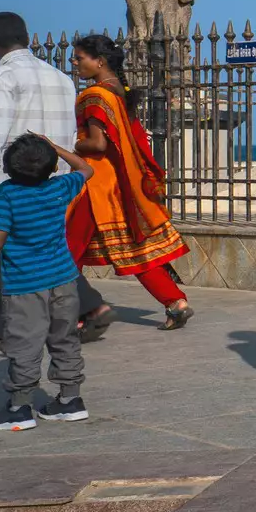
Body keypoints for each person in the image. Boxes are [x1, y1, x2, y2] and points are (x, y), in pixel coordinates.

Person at [0, 12, 111, 351]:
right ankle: (89, 304)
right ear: (26, 38)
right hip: (53, 180)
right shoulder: (60, 77)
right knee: (46, 244)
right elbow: (69, 135)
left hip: (7, 182)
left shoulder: (0, 78)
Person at [0, 135, 95, 430]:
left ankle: (19, 407)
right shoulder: (59, 187)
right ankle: (70, 400)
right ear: (51, 167)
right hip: (64, 280)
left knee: (24, 344)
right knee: (65, 339)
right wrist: (56, 148)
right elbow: (86, 168)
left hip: (24, 286)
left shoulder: (8, 193)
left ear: (10, 168)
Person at [67, 35, 192, 328]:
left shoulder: (95, 95)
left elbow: (97, 144)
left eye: (79, 57)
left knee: (66, 247)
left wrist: (72, 145)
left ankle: (80, 313)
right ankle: (175, 301)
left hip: (96, 184)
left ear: (99, 61)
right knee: (132, 247)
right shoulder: (119, 92)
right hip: (122, 182)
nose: (75, 63)